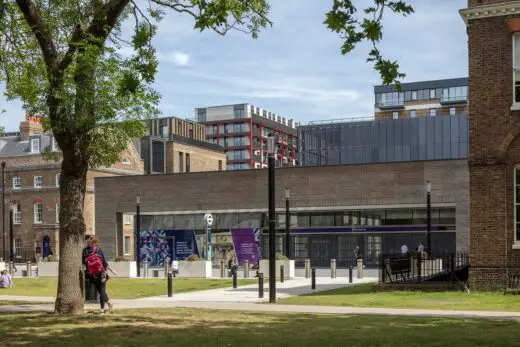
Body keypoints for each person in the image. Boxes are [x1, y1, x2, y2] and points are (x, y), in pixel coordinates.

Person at [83, 237, 114, 315]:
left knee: (100, 291)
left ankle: (106, 307)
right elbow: (104, 262)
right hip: (101, 273)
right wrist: (111, 270)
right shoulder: (99, 250)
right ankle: (103, 309)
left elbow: (84, 263)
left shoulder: (85, 251)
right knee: (102, 290)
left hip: (92, 274)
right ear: (95, 242)